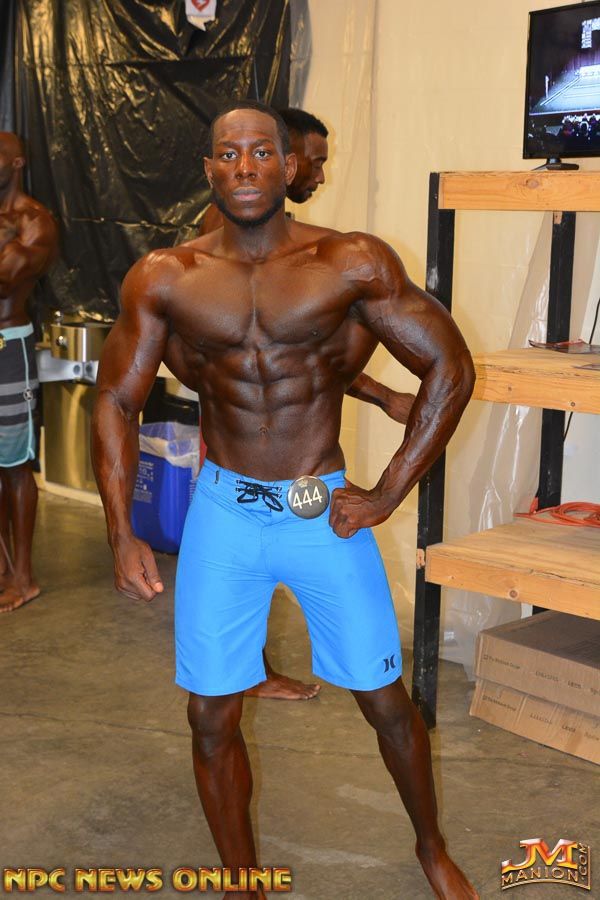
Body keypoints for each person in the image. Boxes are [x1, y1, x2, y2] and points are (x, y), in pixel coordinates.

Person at [92, 101, 477, 899]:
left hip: (320, 509)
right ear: (209, 168)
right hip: (223, 512)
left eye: (261, 152)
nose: (245, 166)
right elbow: (116, 399)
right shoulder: (167, 275)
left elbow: (450, 365)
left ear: (288, 164)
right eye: (228, 153)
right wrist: (120, 531)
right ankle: (242, 881)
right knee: (209, 716)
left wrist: (388, 491)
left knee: (385, 701)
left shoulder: (349, 262)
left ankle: (431, 846)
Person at [163, 106, 415, 701]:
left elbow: (296, 358)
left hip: (312, 497)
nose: (318, 175)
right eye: (314, 161)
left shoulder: (328, 254)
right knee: (212, 699)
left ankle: (252, 670)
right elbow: (260, 360)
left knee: (382, 695)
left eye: (262, 154)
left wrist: (380, 406)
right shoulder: (216, 242)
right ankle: (249, 672)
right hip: (232, 484)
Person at [0, 132, 58, 613]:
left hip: (8, 348)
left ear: (17, 162)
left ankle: (24, 575)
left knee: (15, 464)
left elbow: (4, 277)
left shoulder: (36, 220)